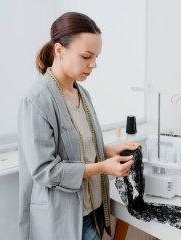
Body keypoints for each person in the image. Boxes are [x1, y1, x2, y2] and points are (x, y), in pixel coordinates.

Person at [18, 12, 140, 240]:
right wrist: (103, 167)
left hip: (93, 214)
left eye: (96, 57)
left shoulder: (83, 94)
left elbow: (76, 147)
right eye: (86, 56)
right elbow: (45, 171)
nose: (93, 64)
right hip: (62, 221)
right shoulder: (37, 99)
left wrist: (106, 151)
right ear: (59, 50)